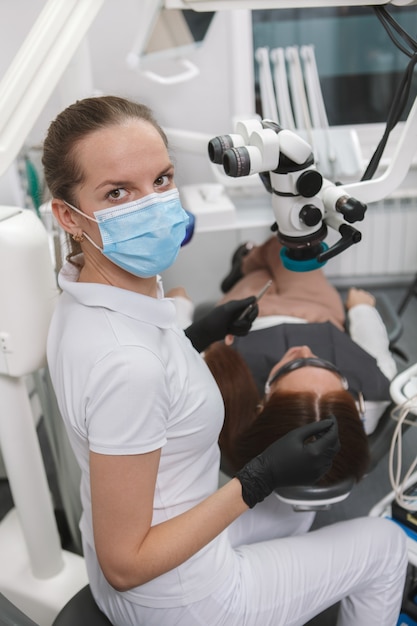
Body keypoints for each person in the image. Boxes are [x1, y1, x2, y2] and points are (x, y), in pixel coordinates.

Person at [43, 95, 407, 626]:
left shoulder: (81, 297)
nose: (151, 203)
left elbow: (130, 389)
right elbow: (127, 565)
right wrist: (258, 476)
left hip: (152, 543)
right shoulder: (129, 365)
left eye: (162, 180)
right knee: (383, 545)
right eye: (118, 192)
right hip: (176, 599)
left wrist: (192, 337)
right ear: (67, 215)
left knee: (293, 517)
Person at [215, 236, 398, 437]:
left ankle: (245, 263)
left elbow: (186, 354)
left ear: (265, 402)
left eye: (290, 367)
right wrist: (360, 308)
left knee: (259, 275)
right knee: (288, 248)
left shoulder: (225, 398)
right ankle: (250, 258)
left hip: (250, 319)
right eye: (325, 364)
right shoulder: (372, 394)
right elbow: (374, 345)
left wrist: (180, 305)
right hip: (317, 312)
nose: (303, 348)